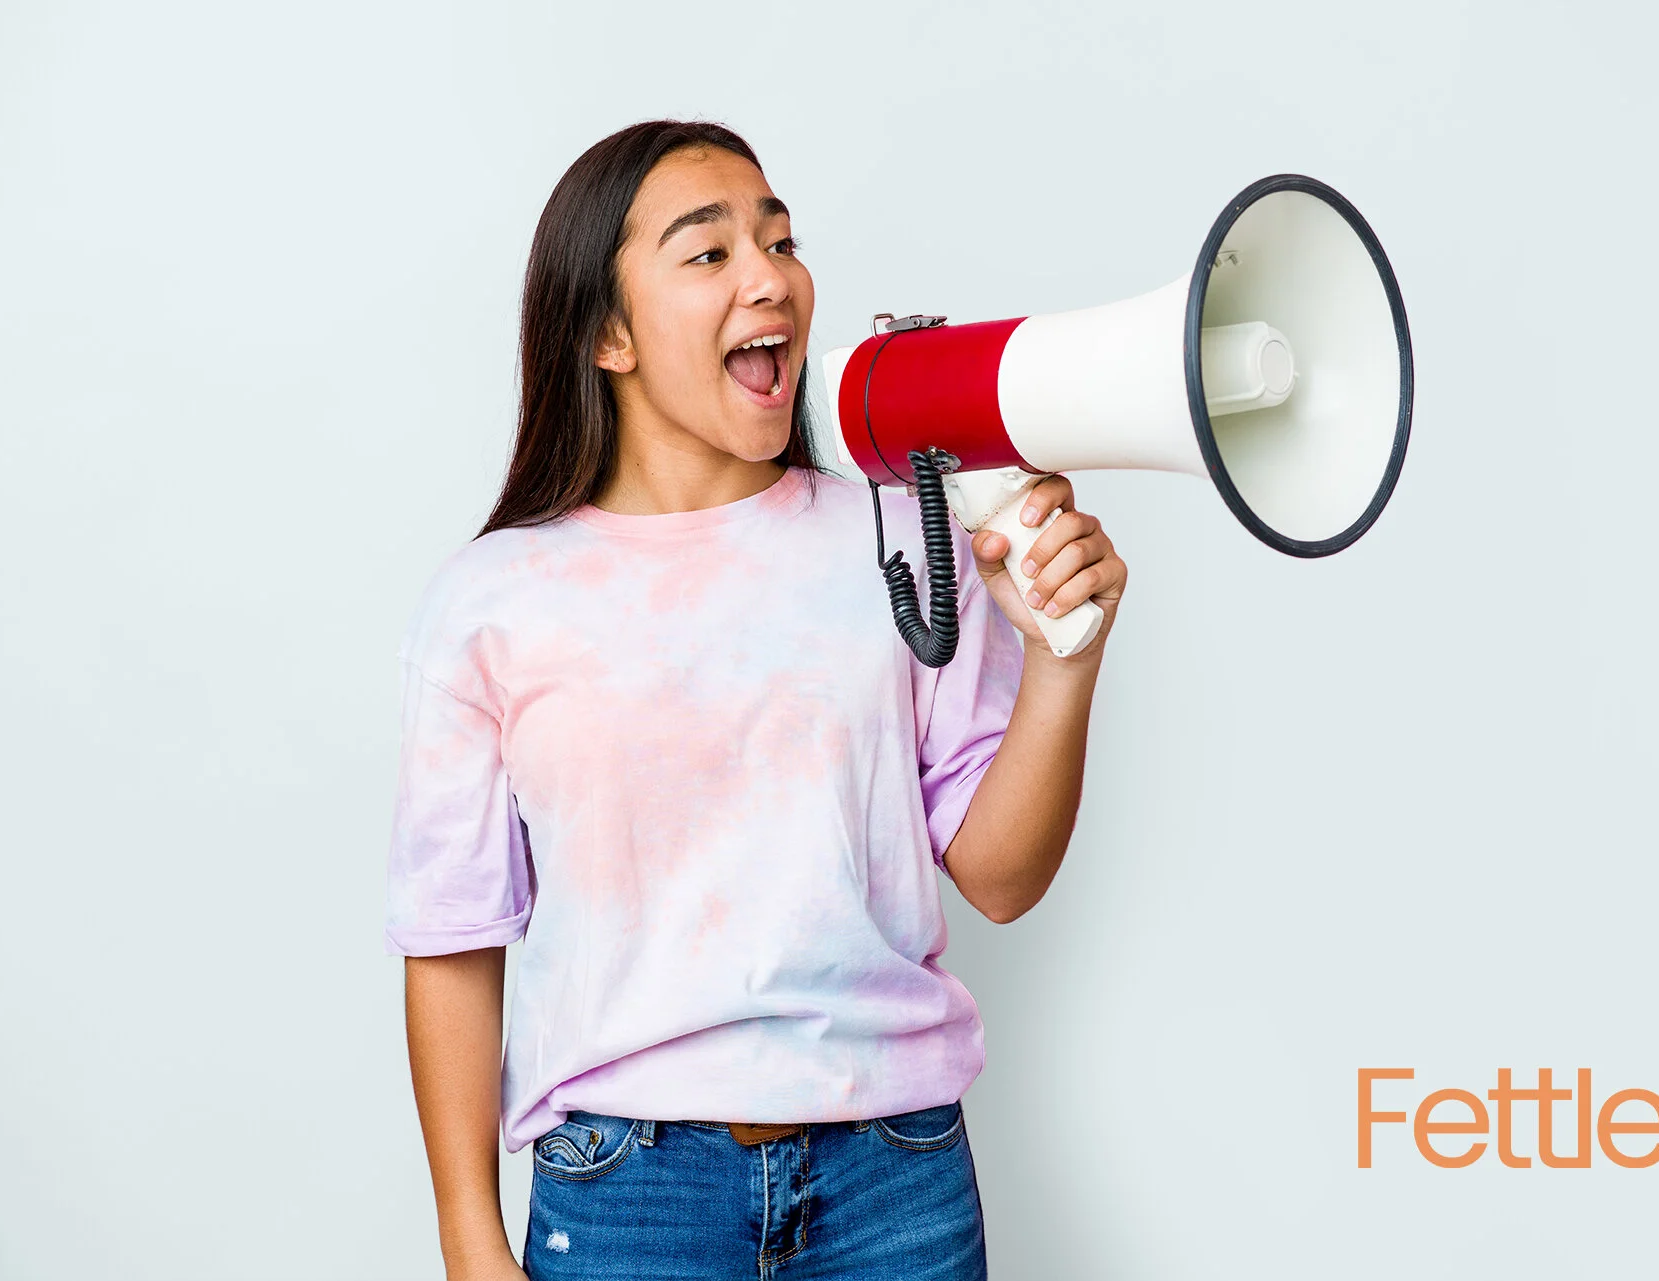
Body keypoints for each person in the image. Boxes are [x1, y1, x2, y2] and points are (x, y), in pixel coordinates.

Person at [384, 119, 1127, 1281]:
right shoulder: (492, 601)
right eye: (709, 253)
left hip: (898, 1180)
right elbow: (451, 946)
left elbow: (1002, 875)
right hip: (628, 1192)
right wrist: (469, 1242)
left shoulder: (896, 528)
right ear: (609, 334)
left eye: (779, 241)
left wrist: (1064, 662)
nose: (769, 275)